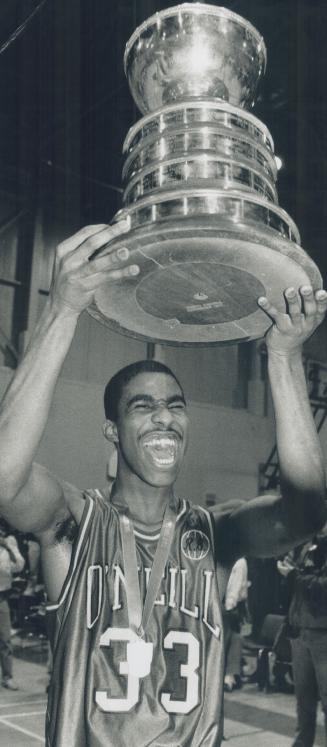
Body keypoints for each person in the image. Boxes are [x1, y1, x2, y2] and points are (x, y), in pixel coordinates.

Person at [0, 221, 326, 747]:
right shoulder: (75, 526)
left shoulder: (217, 534)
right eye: (143, 407)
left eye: (176, 406)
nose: (165, 418)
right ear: (112, 430)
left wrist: (284, 358)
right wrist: (62, 310)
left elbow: (307, 513)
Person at [278, 529, 327, 746]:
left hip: (322, 635)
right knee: (304, 701)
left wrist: (293, 575)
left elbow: (323, 588)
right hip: (300, 630)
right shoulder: (307, 544)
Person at [0, 519, 25, 689]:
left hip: (2, 597)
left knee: (5, 639)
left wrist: (10, 548)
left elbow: (19, 567)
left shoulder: (8, 547)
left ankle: (7, 677)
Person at [223, 557, 249, 692]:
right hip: (222, 605)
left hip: (232, 608)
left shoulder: (239, 562)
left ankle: (230, 677)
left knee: (233, 639)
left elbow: (235, 588)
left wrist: (228, 607)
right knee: (232, 640)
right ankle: (229, 676)